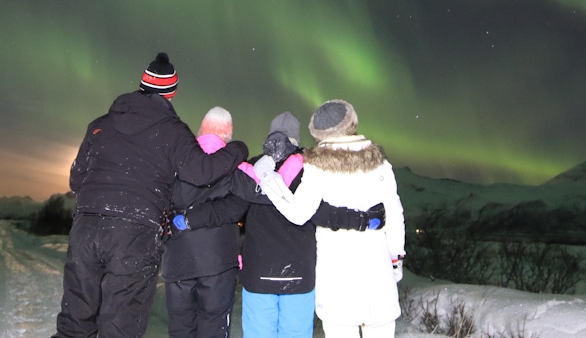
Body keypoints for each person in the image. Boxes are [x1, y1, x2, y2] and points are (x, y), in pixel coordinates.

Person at [52, 53, 249, 338]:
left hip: (87, 227)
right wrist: (238, 149)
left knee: (75, 318)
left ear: (142, 84)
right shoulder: (172, 131)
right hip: (134, 233)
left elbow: (76, 179)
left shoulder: (99, 125)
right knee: (120, 322)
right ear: (172, 92)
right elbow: (202, 172)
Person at [169, 111, 385, 338]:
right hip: (299, 275)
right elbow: (323, 213)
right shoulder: (309, 170)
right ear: (296, 140)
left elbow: (229, 209)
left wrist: (188, 219)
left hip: (258, 275)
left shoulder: (250, 170)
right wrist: (363, 219)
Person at [255, 100, 405, 338]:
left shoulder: (318, 167)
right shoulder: (380, 164)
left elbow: (298, 213)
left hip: (338, 279)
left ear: (318, 132)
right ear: (352, 123)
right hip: (377, 273)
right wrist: (395, 261)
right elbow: (394, 215)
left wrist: (268, 179)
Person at [161, 106, 242, 338]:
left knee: (181, 328)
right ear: (229, 133)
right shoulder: (237, 167)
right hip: (218, 263)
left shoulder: (174, 164)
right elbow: (238, 206)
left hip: (178, 260)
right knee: (214, 327)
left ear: (199, 131)